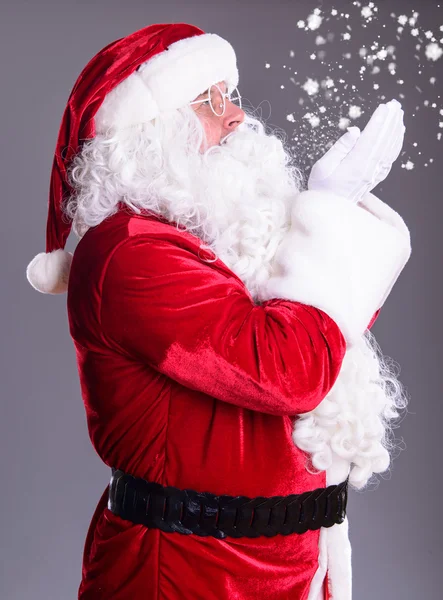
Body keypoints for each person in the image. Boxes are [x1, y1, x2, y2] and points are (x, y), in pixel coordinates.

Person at [26, 22, 411, 600]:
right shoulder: (129, 252)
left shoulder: (214, 240)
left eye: (231, 95)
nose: (236, 116)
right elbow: (289, 367)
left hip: (287, 561)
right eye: (210, 99)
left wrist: (332, 219)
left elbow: (327, 331)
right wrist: (326, 214)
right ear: (147, 136)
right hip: (190, 571)